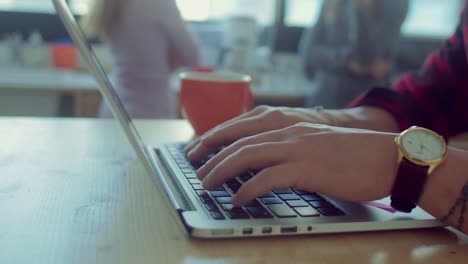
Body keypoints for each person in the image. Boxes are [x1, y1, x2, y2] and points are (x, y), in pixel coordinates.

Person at [183, 3, 468, 234]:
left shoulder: (393, 6)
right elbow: (430, 98)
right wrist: (330, 122)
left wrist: (398, 167)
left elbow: (373, 59)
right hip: (334, 95)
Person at [83, 0, 200, 118]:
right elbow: (192, 56)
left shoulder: (109, 3)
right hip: (154, 113)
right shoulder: (159, 3)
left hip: (115, 110)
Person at [299, 0, 408, 108]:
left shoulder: (395, 4)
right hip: (324, 99)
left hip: (364, 104)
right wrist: (347, 61)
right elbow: (309, 52)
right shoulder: (332, 2)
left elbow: (365, 58)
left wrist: (359, 8)